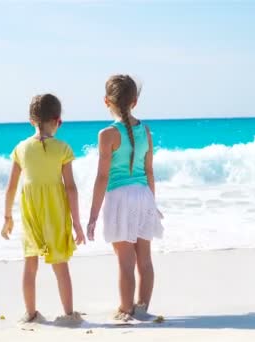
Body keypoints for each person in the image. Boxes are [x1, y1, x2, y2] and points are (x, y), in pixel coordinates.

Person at [1, 93, 85, 323]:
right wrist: (77, 223)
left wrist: (7, 216)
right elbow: (71, 189)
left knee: (30, 263)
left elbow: (10, 188)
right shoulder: (63, 148)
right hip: (55, 213)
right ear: (58, 120)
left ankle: (30, 313)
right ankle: (68, 314)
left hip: (30, 213)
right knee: (60, 265)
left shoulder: (20, 148)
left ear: (31, 121)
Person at [87, 75, 164, 322]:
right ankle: (142, 307)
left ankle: (126, 309)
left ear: (106, 101)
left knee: (125, 262)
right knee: (145, 259)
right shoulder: (146, 130)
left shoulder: (107, 134)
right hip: (143, 196)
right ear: (135, 101)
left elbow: (102, 177)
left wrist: (93, 215)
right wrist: (153, 202)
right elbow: (149, 171)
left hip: (120, 199)